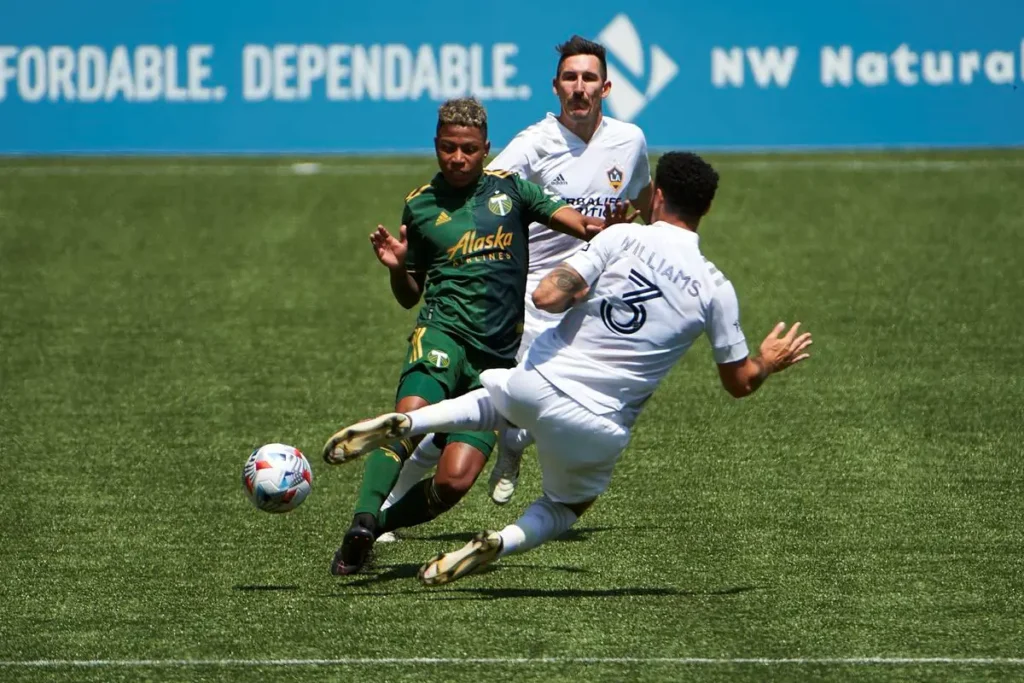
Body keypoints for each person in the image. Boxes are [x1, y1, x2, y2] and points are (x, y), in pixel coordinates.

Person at [324, 152, 813, 586]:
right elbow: (740, 382)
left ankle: (413, 423)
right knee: (566, 506)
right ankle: (501, 541)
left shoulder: (623, 236)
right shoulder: (716, 288)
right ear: (706, 209)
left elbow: (546, 296)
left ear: (657, 197)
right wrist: (768, 361)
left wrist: (578, 291)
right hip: (600, 424)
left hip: (538, 385)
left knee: (493, 402)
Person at [321, 96, 617, 576]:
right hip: (441, 334)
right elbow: (409, 295)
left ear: (486, 149)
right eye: (447, 148)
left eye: (469, 149)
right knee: (408, 421)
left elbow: (580, 225)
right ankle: (360, 522)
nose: (457, 159)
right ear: (435, 145)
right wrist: (398, 269)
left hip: (497, 360)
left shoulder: (513, 192)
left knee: (454, 482)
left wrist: (615, 231)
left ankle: (373, 530)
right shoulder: (420, 205)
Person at [379, 35, 653, 520]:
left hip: (587, 300)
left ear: (606, 86)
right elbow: (480, 196)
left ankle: (511, 445)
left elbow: (645, 197)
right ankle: (387, 504)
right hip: (526, 296)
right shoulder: (534, 144)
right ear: (555, 86)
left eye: (589, 78)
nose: (580, 88)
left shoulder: (629, 141)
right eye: (570, 78)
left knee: (553, 404)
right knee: (477, 411)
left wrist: (651, 236)